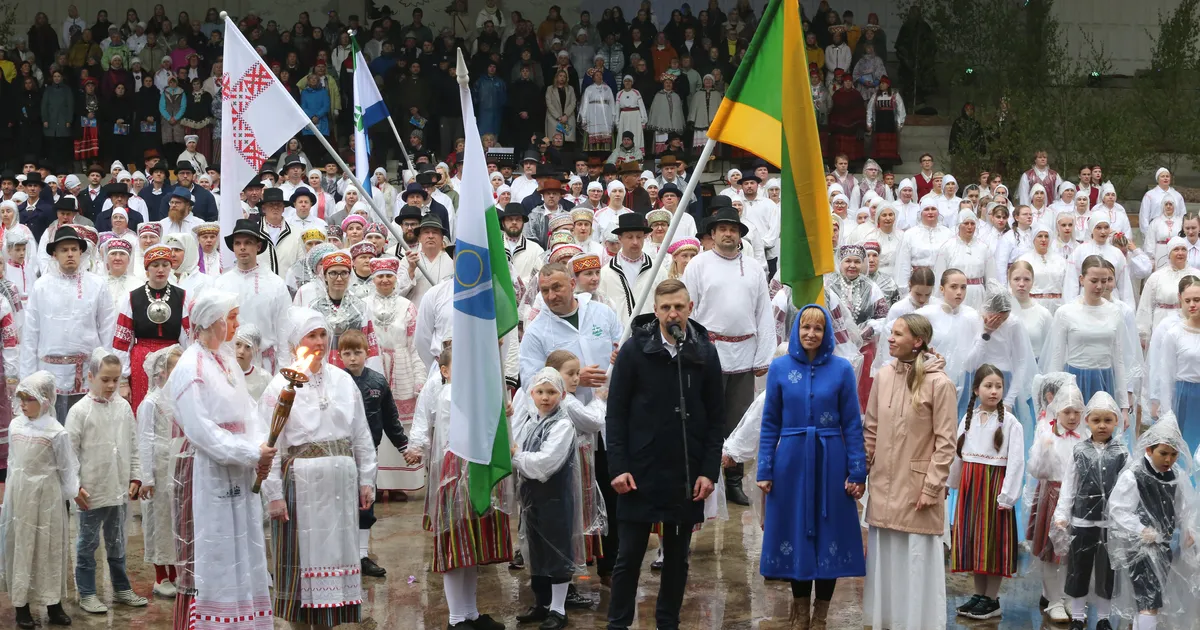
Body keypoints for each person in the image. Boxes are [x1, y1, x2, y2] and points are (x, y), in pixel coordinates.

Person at [605, 279, 723, 630]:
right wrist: (618, 467)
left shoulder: (704, 351)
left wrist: (708, 471)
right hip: (639, 470)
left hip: (684, 472)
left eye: (679, 307)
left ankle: (667, 622)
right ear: (655, 311)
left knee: (677, 559)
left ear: (690, 308)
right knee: (628, 557)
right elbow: (616, 414)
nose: (673, 313)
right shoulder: (633, 351)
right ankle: (619, 623)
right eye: (666, 307)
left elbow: (717, 418)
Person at [166, 289, 275, 629]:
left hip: (241, 468)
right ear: (213, 322)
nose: (237, 324)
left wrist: (261, 446)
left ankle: (246, 620)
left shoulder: (227, 361)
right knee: (218, 548)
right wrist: (249, 452)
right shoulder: (190, 366)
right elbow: (201, 429)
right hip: (211, 469)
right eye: (232, 318)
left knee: (245, 543)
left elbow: (250, 412)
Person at [262, 307, 377, 627]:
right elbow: (270, 443)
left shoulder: (343, 381)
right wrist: (273, 493)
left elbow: (360, 433)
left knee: (337, 559)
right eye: (311, 335)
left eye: (323, 334)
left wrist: (367, 477)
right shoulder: (280, 386)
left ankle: (331, 620)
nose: (319, 341)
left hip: (339, 485)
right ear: (296, 341)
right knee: (301, 563)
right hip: (301, 483)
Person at [756, 305, 866, 629]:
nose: (810, 334)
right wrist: (764, 468)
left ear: (827, 333)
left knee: (828, 533)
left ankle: (821, 614)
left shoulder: (843, 369)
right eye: (805, 327)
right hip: (790, 461)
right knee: (796, 533)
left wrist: (857, 470)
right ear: (795, 329)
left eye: (818, 329)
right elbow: (769, 422)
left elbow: (852, 423)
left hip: (831, 459)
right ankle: (800, 611)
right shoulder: (779, 368)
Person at [862, 313, 957, 630]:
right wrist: (860, 472)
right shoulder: (885, 375)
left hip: (917, 491)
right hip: (884, 486)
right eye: (891, 333)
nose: (890, 338)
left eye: (898, 334)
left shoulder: (939, 383)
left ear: (917, 341)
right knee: (886, 564)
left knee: (914, 565)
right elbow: (871, 430)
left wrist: (932, 488)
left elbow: (946, 443)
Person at [405, 345, 511, 630]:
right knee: (455, 543)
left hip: (476, 469)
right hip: (455, 472)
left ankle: (470, 612)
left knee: (471, 546)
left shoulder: (476, 392)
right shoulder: (448, 394)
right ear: (445, 370)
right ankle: (455, 617)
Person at [682, 207, 774, 505]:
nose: (728, 233)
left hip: (744, 354)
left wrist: (764, 357)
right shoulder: (698, 265)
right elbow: (687, 310)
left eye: (733, 229)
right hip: (708, 354)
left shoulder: (755, 269)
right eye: (722, 228)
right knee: (707, 418)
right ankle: (706, 478)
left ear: (739, 235)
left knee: (739, 421)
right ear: (712, 233)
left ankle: (733, 481)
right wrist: (691, 351)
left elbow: (764, 314)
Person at [67, 349, 148, 614]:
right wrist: (75, 485)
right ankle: (88, 592)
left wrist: (135, 475)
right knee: (87, 543)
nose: (112, 385)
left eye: (116, 379)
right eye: (105, 379)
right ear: (90, 377)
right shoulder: (80, 412)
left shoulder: (123, 407)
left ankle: (122, 587)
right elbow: (70, 454)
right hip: (91, 491)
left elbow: (133, 445)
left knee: (117, 540)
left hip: (118, 489)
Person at [0, 371, 78, 629]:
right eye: (20, 398)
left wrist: (69, 497)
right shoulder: (15, 426)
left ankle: (53, 604)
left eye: (28, 399)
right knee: (21, 546)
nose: (22, 404)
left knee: (49, 548)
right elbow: (13, 463)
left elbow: (67, 470)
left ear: (45, 400)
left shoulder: (57, 432)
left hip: (47, 498)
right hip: (20, 495)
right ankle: (22, 606)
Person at [511, 367, 586, 630]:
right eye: (540, 391)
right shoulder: (532, 422)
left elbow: (544, 465)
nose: (545, 397)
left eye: (552, 392)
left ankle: (558, 608)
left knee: (557, 552)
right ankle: (542, 603)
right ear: (531, 393)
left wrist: (516, 456)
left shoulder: (563, 425)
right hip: (533, 501)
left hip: (555, 498)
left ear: (562, 394)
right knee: (537, 551)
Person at [948, 364, 1025, 621]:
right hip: (972, 487)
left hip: (994, 487)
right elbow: (957, 455)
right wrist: (952, 483)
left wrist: (1008, 495)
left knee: (992, 543)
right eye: (988, 386)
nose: (994, 391)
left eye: (998, 386)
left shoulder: (1010, 422)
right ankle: (979, 594)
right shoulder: (969, 418)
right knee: (974, 542)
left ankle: (992, 599)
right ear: (976, 389)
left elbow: (1016, 462)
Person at [1107, 412, 1196, 630]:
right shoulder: (1134, 475)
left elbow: (1183, 507)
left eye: (1174, 454)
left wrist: (1188, 530)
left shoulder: (1176, 475)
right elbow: (1118, 508)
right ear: (1149, 449)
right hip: (1142, 547)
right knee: (1149, 598)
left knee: (1151, 597)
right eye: (1163, 453)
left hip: (1164, 546)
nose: (1168, 460)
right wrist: (1141, 529)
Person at [20, 225, 116, 421]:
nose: (70, 254)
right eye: (64, 250)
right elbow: (31, 333)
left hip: (88, 374)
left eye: (74, 249)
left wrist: (107, 373)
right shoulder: (41, 286)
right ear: (54, 254)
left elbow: (107, 330)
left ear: (81, 251)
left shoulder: (97, 285)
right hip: (48, 373)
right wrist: (28, 379)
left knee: (87, 434)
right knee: (51, 433)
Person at [1052, 391, 1127, 630]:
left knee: (1107, 572)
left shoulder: (1123, 453)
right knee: (1078, 569)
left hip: (1109, 523)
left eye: (1108, 420)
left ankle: (1103, 618)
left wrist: (1126, 517)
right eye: (1096, 420)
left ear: (1116, 421)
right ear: (1088, 421)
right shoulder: (1079, 451)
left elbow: (1129, 488)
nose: (1102, 425)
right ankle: (1077, 616)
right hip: (1082, 520)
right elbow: (1069, 485)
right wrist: (1062, 514)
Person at [337, 328, 407, 578]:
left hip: (369, 454)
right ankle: (340, 556)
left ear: (367, 353)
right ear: (340, 356)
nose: (353, 358)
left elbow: (390, 418)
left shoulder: (377, 382)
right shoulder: (336, 382)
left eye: (358, 352)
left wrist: (404, 447)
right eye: (347, 353)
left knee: (365, 502)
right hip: (340, 455)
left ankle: (362, 555)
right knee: (340, 504)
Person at [1025, 382, 1086, 623]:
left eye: (1076, 412)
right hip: (1053, 496)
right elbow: (1037, 471)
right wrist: (1044, 451)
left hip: (1080, 500)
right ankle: (1053, 600)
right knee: (1052, 553)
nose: (1072, 417)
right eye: (1066, 412)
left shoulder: (1086, 436)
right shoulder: (1048, 435)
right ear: (1057, 412)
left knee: (1074, 552)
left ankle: (1069, 595)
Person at [363, 256, 425, 493]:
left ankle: (400, 485)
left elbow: (415, 344)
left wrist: (419, 378)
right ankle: (378, 483)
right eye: (380, 276)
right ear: (374, 279)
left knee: (399, 423)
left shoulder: (407, 306)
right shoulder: (364, 304)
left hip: (402, 366)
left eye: (390, 276)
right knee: (375, 420)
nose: (385, 280)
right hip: (373, 364)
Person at [113, 244, 189, 411]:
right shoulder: (132, 298)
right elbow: (122, 340)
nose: (160, 269)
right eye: (155, 265)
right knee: (143, 409)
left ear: (171, 267)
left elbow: (187, 337)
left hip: (173, 359)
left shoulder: (182, 296)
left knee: (171, 411)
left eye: (165, 264)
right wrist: (124, 380)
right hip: (142, 359)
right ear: (147, 268)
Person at [134, 343, 182, 597]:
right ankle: (160, 575)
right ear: (162, 371)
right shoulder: (151, 403)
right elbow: (144, 440)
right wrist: (147, 477)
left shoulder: (178, 399)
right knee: (158, 520)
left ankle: (175, 572)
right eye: (176, 366)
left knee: (174, 520)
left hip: (175, 466)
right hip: (158, 467)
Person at [214, 219, 291, 373]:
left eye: (248, 242)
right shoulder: (221, 284)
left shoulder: (275, 284)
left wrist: (283, 370)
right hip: (230, 364)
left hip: (264, 364)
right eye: (238, 243)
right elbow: (217, 328)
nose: (242, 248)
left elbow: (284, 329)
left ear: (258, 246)